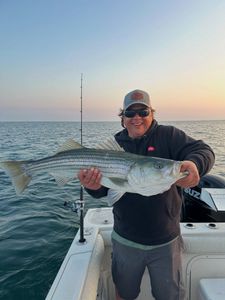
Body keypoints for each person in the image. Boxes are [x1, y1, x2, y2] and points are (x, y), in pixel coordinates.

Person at [78, 89, 215, 300]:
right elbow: (103, 192)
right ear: (122, 118)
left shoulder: (169, 136)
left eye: (143, 111)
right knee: (123, 294)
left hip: (166, 241)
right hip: (126, 239)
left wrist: (195, 164)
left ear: (152, 113)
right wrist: (92, 186)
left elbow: (204, 150)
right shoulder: (114, 146)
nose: (137, 118)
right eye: (130, 113)